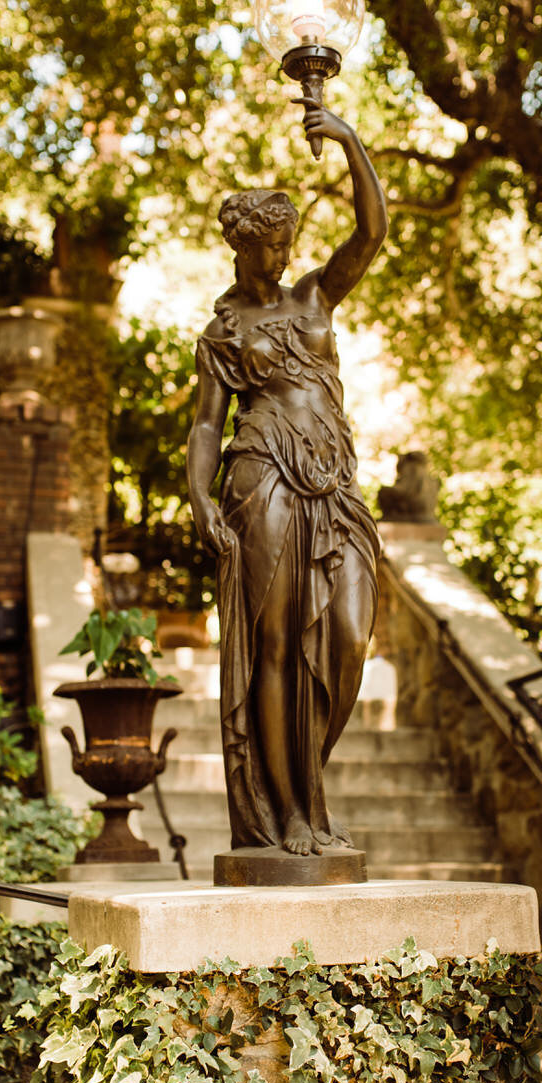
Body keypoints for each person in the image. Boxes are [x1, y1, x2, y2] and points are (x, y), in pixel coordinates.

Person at [187, 99, 387, 857]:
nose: (281, 254)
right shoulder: (223, 334)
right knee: (273, 646)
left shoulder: (313, 298)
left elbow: (371, 234)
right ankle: (293, 814)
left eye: (286, 242)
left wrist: (348, 137)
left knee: (346, 634)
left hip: (333, 482)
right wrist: (199, 495)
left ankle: (307, 782)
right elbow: (208, 425)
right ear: (242, 247)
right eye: (269, 245)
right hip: (262, 472)